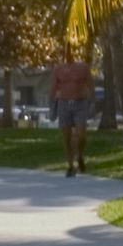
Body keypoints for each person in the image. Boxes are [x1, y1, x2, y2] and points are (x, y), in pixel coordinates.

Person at [49, 46, 96, 176]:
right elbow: (53, 86)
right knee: (66, 136)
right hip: (64, 103)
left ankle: (79, 155)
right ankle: (71, 166)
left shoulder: (83, 67)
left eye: (70, 51)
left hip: (80, 103)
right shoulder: (58, 69)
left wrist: (92, 99)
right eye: (65, 51)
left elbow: (90, 83)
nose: (67, 53)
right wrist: (51, 104)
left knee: (82, 135)